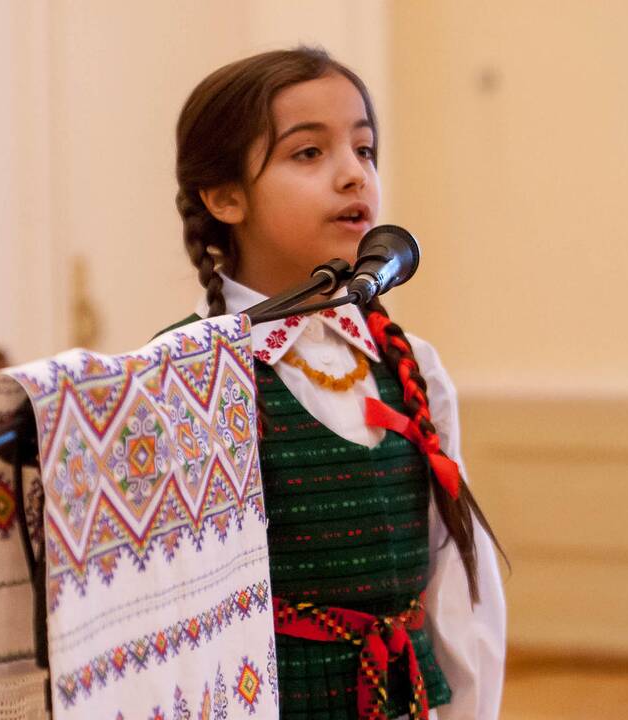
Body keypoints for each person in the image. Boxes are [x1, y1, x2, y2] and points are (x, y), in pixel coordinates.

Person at [162, 48, 506, 719]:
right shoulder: (190, 375)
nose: (354, 175)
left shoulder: (413, 366)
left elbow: (458, 583)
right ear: (225, 196)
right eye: (309, 154)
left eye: (365, 149)